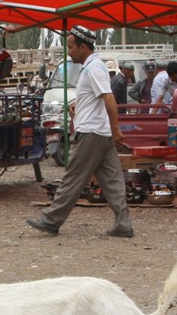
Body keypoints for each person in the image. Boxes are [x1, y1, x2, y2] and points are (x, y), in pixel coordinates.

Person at [26, 26, 132, 238]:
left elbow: (108, 97)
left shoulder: (93, 69)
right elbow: (96, 97)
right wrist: (77, 104)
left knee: (73, 178)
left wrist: (116, 128)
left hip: (91, 134)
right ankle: (123, 224)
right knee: (113, 180)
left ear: (83, 47)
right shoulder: (94, 68)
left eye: (71, 47)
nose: (69, 52)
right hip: (100, 133)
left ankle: (51, 220)